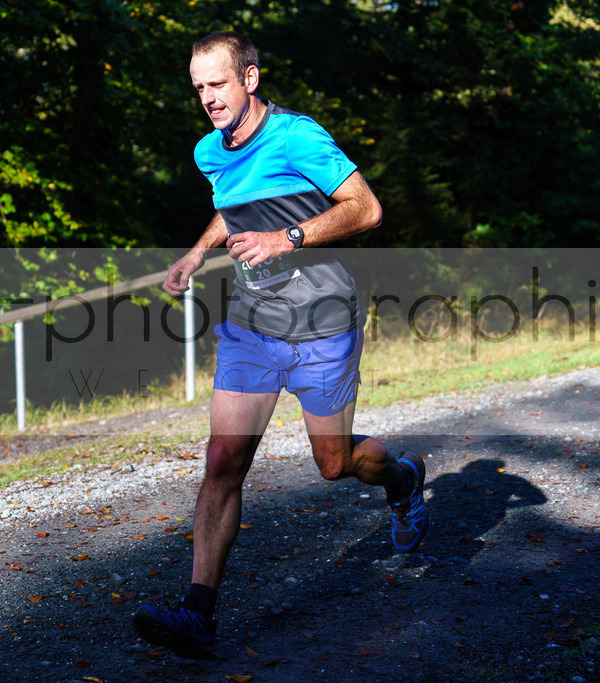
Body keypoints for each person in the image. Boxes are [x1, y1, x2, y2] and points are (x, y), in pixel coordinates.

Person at [133, 31, 428, 659]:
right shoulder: (209, 152)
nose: (208, 98)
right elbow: (231, 204)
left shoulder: (297, 136)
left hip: (323, 320)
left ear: (250, 78)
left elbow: (367, 208)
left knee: (334, 463)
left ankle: (402, 481)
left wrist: (287, 237)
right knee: (222, 464)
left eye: (217, 84)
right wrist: (198, 249)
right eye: (199, 88)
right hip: (253, 324)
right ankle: (198, 616)